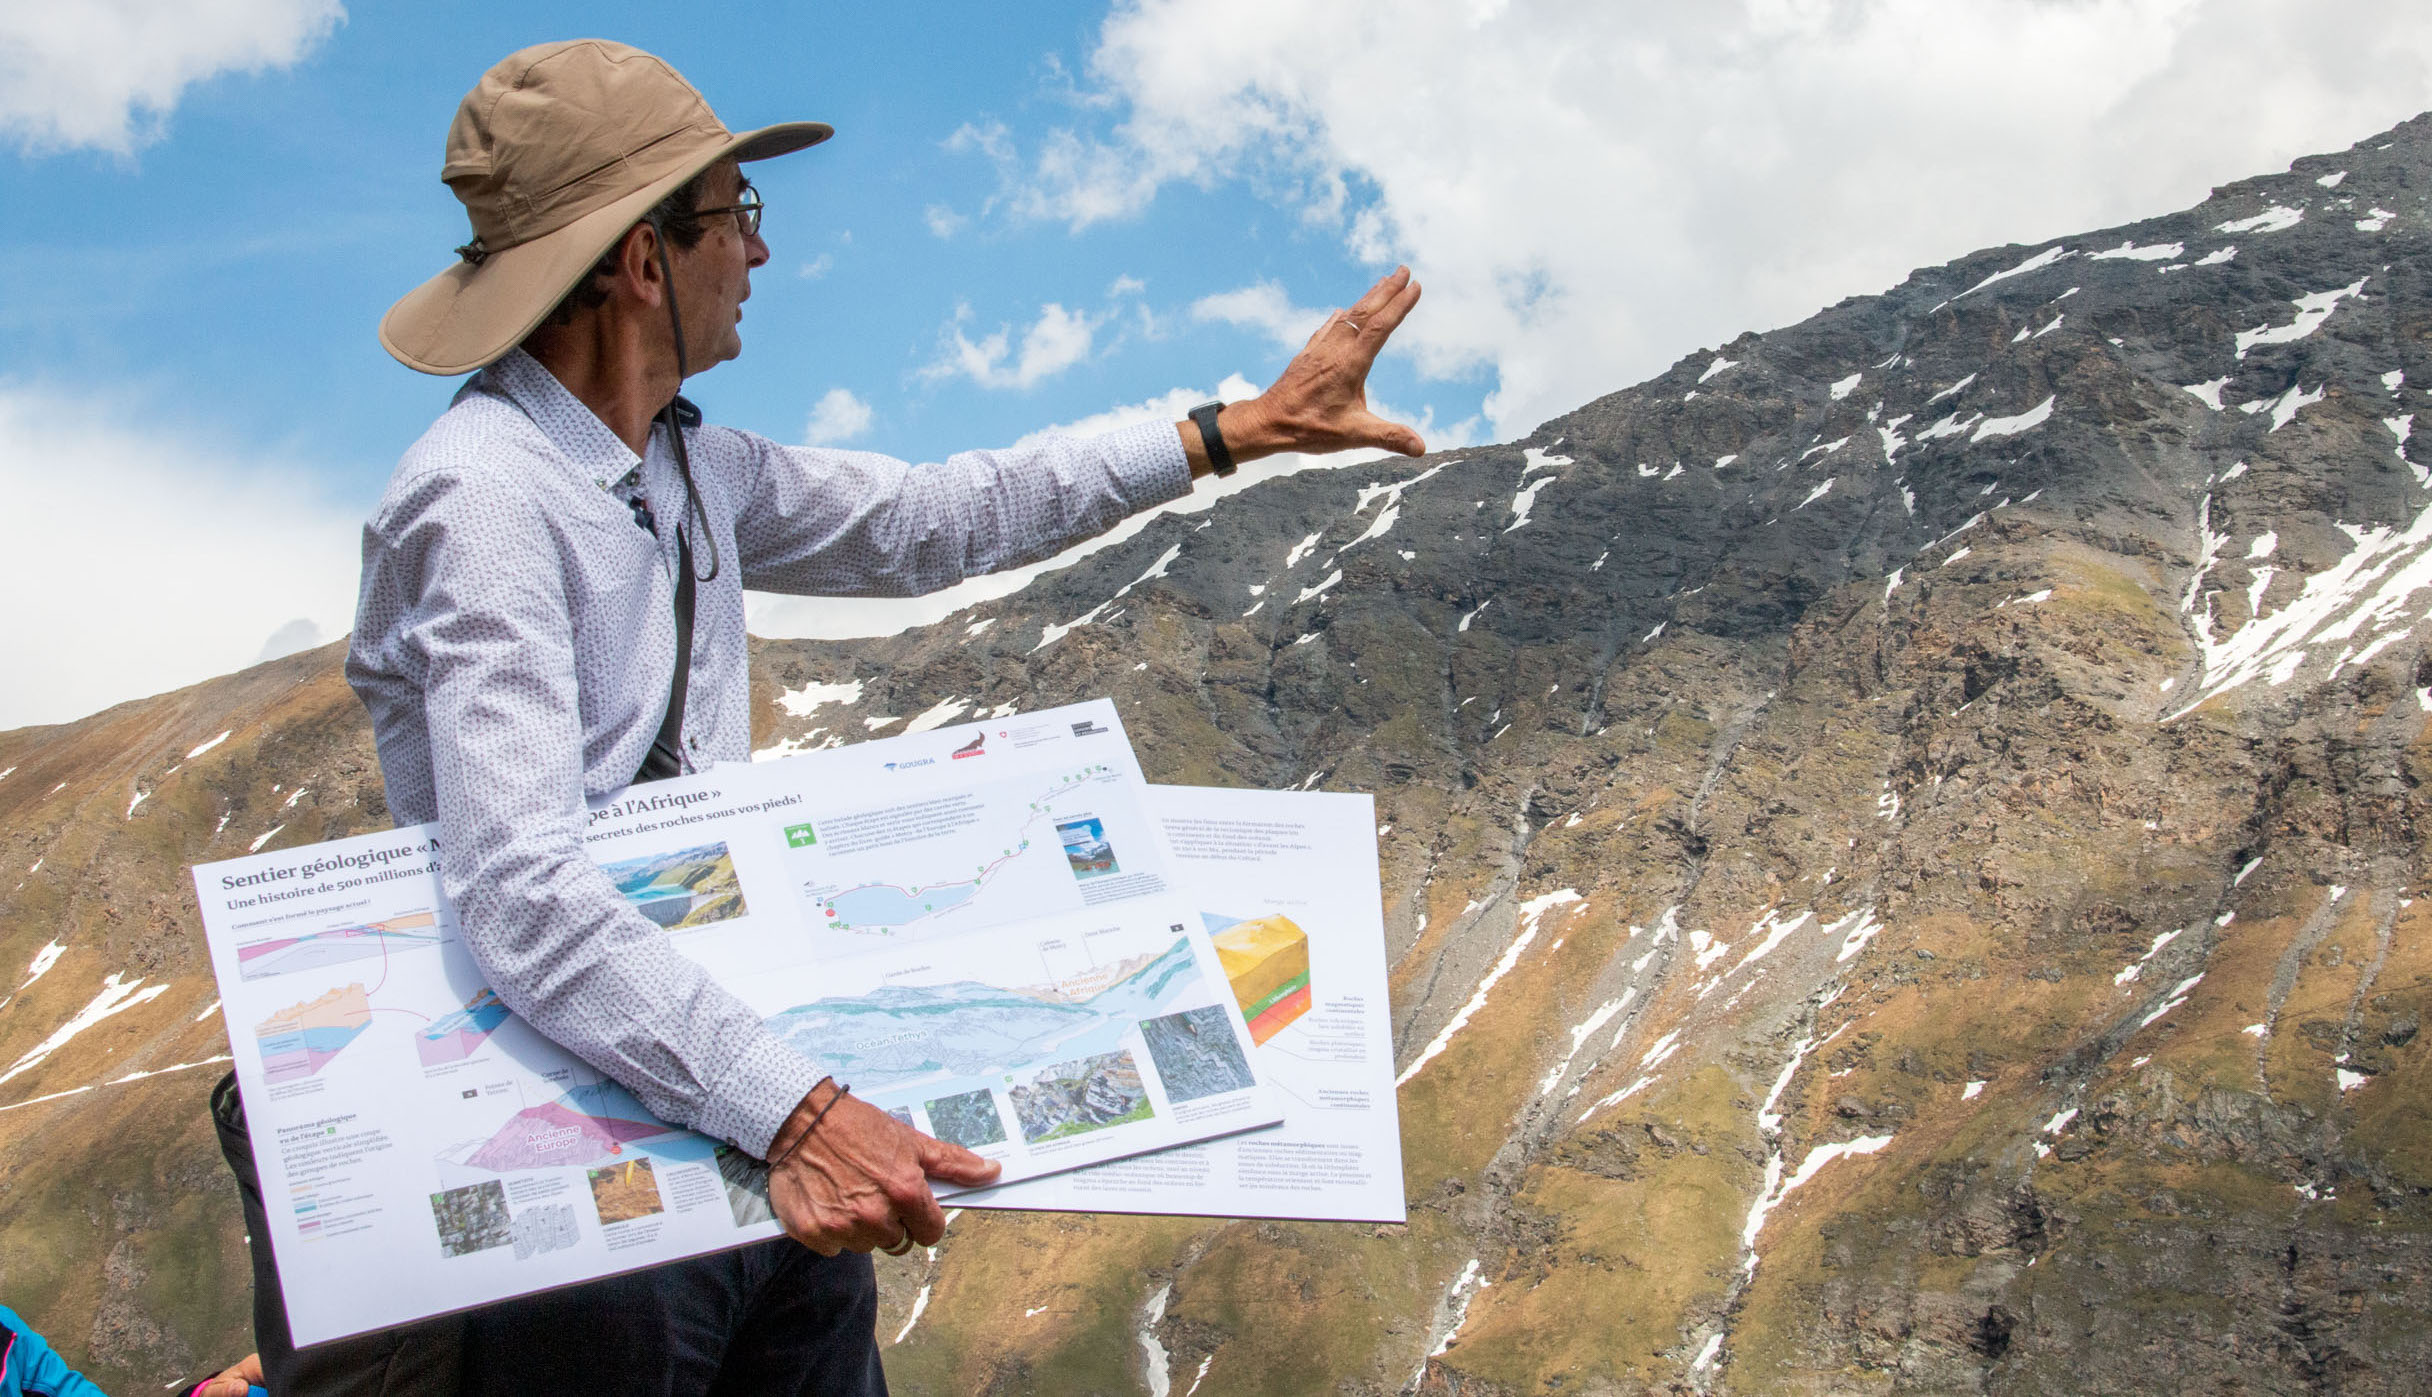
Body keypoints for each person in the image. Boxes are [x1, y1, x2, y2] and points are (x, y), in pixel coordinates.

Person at [211, 37, 1422, 1395]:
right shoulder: (483, 497)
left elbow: (933, 520)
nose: (761, 255)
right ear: (640, 262)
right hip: (605, 1145)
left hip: (738, 1111)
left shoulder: (689, 463)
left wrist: (1230, 430)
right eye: (737, 217)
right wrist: (804, 1108)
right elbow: (519, 891)